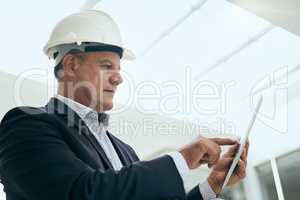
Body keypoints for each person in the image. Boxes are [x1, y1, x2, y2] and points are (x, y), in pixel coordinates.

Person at [0, 10, 248, 200]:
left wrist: (211, 185)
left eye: (119, 69)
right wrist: (182, 159)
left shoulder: (124, 150)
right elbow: (82, 192)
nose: (118, 78)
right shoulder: (26, 125)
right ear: (71, 65)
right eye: (107, 66)